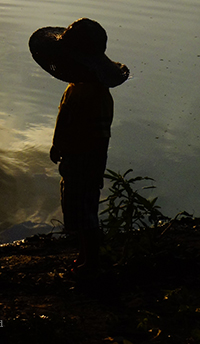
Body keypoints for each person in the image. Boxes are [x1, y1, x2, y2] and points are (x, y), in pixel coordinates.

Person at [28, 18, 130, 279]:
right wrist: (57, 145)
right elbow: (65, 122)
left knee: (86, 214)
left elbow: (95, 136)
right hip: (75, 160)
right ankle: (86, 256)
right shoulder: (76, 88)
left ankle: (91, 262)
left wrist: (72, 152)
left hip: (86, 162)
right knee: (77, 210)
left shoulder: (96, 95)